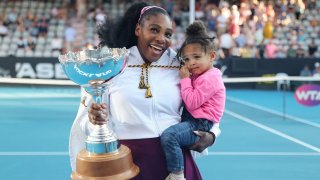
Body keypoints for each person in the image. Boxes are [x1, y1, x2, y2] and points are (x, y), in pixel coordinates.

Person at [70, 3, 221, 180]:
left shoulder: (180, 64)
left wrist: (212, 135)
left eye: (168, 34)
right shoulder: (112, 64)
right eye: (154, 30)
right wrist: (95, 119)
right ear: (138, 29)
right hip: (128, 164)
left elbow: (209, 100)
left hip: (175, 165)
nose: (161, 39)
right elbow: (86, 121)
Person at [160, 21, 225, 180]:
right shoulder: (200, 75)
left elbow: (192, 102)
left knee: (171, 136)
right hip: (194, 120)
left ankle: (177, 175)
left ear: (211, 56)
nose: (191, 63)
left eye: (196, 57)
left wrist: (184, 79)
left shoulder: (210, 78)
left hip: (200, 123)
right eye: (187, 59)